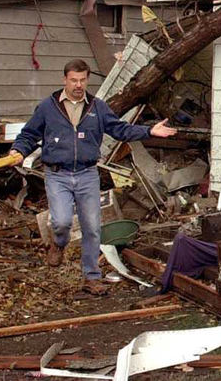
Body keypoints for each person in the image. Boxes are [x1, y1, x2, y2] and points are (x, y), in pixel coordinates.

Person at [9, 59, 176, 294]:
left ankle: (91, 277)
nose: (78, 85)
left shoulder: (97, 107)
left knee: (92, 228)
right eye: (73, 80)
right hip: (58, 175)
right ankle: (58, 243)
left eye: (83, 80)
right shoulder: (48, 107)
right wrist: (18, 150)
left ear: (87, 80)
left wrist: (149, 130)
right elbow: (28, 134)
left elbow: (120, 129)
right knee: (61, 222)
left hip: (87, 174)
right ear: (64, 79)